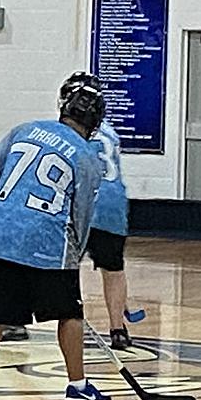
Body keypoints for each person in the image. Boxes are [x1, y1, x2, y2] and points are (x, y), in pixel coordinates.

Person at [0, 72, 110, 400]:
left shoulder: (26, 129)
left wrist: (0, 213)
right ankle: (77, 386)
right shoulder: (87, 158)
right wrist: (76, 249)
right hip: (49, 240)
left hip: (4, 235)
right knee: (70, 314)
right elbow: (82, 210)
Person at [87, 118, 134, 350]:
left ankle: (16, 322)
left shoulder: (71, 131)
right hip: (114, 205)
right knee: (114, 270)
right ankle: (118, 329)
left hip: (84, 204)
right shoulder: (110, 132)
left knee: (55, 266)